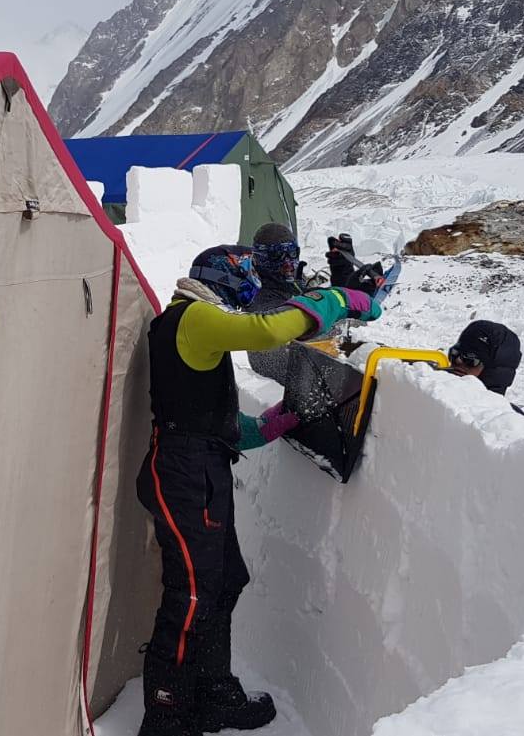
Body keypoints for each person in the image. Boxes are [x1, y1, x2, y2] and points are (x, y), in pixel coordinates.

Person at [138, 245, 383, 736]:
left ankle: (213, 693)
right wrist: (335, 298)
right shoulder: (194, 316)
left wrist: (274, 423)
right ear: (225, 276)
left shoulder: (194, 322)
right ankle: (166, 717)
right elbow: (266, 330)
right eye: (245, 271)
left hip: (201, 468)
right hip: (184, 473)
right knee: (191, 595)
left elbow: (203, 414)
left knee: (224, 581)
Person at [447, 320, 524, 413]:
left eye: (470, 359)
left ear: (493, 371)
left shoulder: (507, 422)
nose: (458, 361)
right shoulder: (431, 391)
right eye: (454, 353)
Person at [246, 223, 304, 313]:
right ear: (260, 258)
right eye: (277, 255)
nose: (288, 264)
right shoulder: (262, 303)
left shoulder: (290, 277)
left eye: (292, 253)